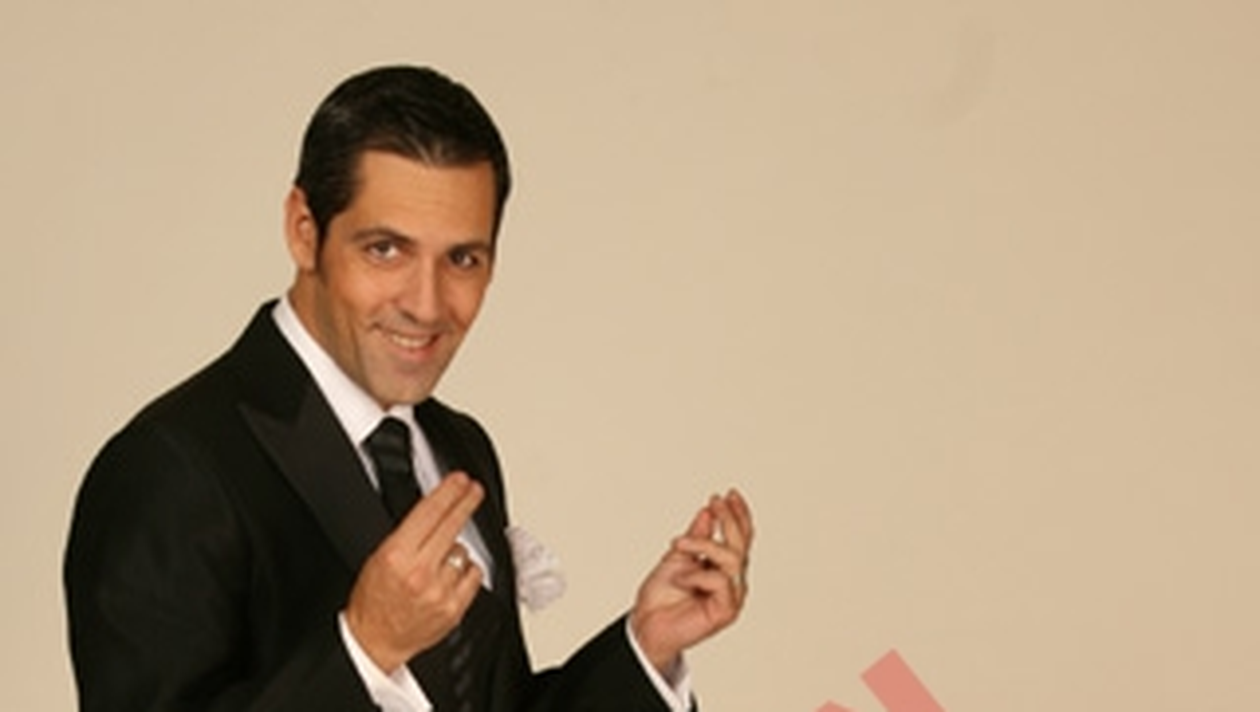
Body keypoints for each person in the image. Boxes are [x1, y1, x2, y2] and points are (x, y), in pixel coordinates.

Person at [63, 64, 753, 711]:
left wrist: (645, 650)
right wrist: (365, 650)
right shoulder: (169, 466)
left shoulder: (459, 444)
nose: (426, 305)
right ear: (304, 232)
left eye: (463, 259)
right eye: (385, 250)